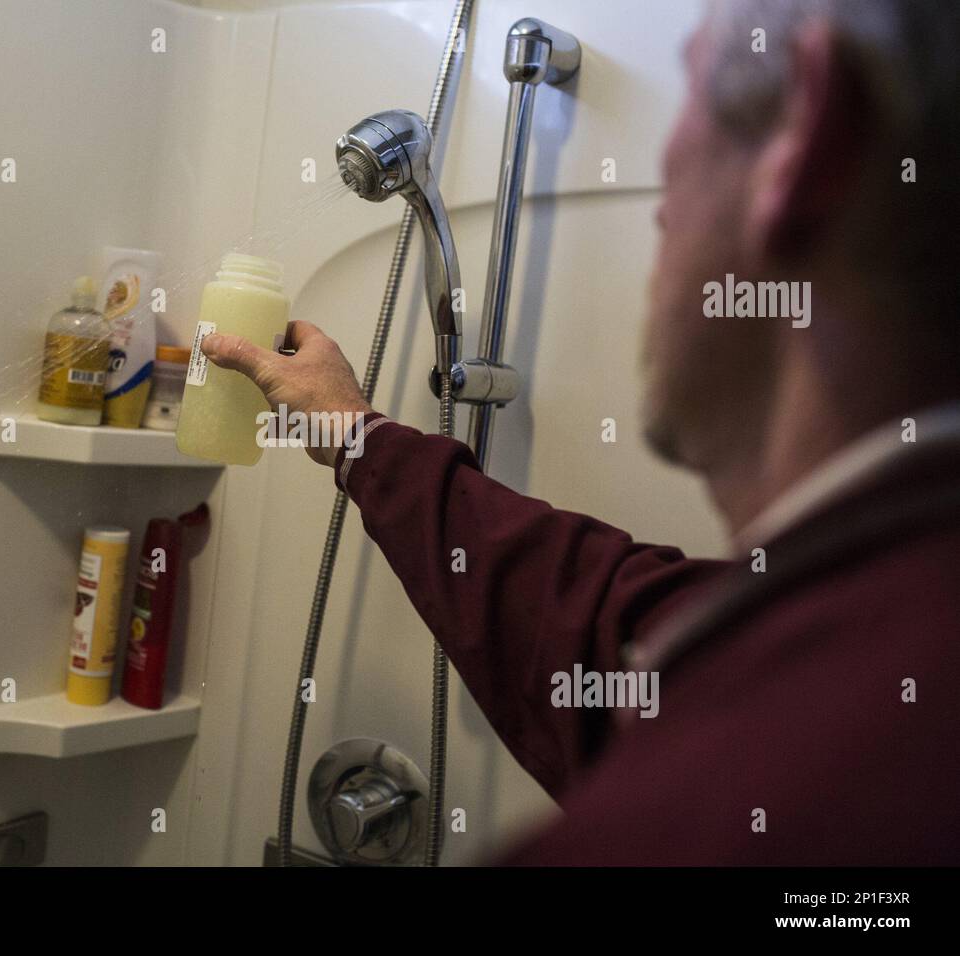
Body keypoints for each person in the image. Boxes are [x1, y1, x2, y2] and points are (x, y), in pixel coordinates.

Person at [200, 0, 960, 864]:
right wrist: (356, 434)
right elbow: (596, 621)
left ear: (808, 137)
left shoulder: (730, 806)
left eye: (690, 95)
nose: (662, 203)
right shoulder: (854, 631)